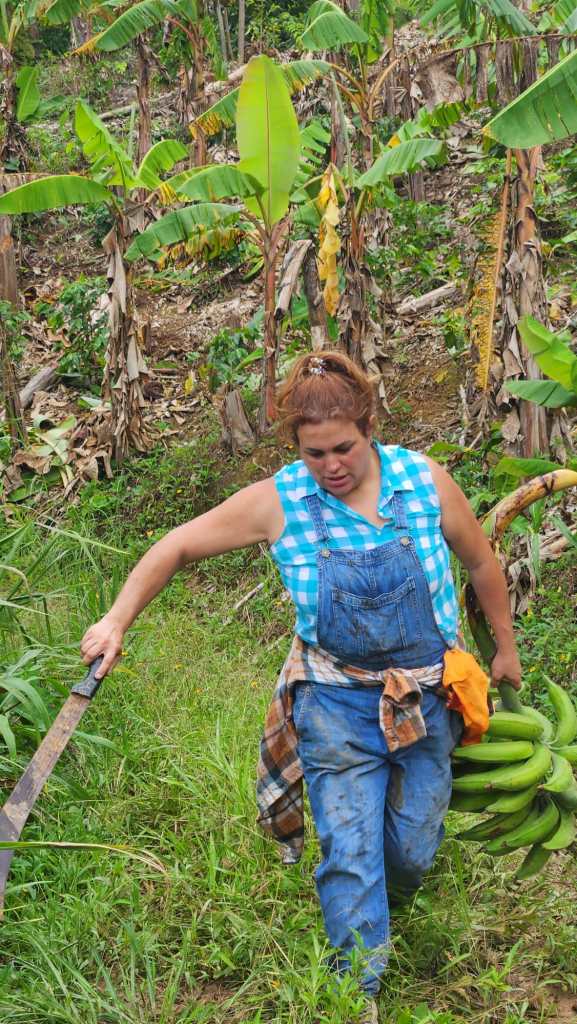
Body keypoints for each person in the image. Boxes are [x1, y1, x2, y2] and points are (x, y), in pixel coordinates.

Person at [81, 351, 521, 1024]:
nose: (330, 466)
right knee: (349, 848)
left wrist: (505, 648)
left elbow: (481, 562)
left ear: (369, 425)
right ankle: (357, 991)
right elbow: (175, 546)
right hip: (333, 701)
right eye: (313, 453)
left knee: (410, 846)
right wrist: (115, 619)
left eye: (342, 448)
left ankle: (386, 905)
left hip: (428, 697)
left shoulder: (423, 481)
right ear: (295, 446)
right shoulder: (279, 500)